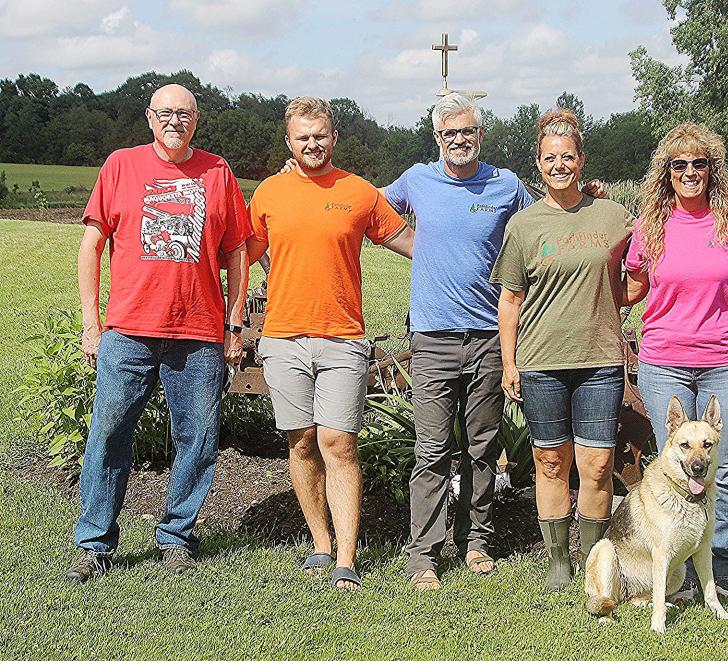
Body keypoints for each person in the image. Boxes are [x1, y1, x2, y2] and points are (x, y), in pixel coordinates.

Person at [68, 83, 251, 583]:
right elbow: (92, 245)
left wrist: (234, 324)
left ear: (198, 121)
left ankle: (176, 536)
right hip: (128, 330)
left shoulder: (218, 172)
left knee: (198, 438)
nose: (175, 121)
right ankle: (95, 543)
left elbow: (236, 251)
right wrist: (92, 322)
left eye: (185, 114)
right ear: (150, 118)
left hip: (198, 333)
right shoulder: (121, 165)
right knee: (109, 435)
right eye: (165, 113)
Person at [246, 97, 414, 591]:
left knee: (339, 443)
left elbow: (412, 242)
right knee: (301, 443)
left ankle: (346, 556)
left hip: (342, 338)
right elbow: (242, 254)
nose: (312, 144)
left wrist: (471, 248)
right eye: (303, 137)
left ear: (333, 138)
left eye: (320, 135)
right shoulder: (269, 194)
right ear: (289, 142)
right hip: (282, 338)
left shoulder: (358, 192)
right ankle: (320, 542)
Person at [382, 92, 531, 590]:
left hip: (490, 337)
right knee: (431, 451)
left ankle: (476, 541)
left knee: (483, 448)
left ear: (481, 135)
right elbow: (366, 211)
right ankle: (423, 554)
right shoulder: (417, 180)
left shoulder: (506, 185)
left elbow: (542, 222)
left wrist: (591, 202)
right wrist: (408, 244)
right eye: (449, 134)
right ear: (437, 138)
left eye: (467, 132)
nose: (459, 140)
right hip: (433, 339)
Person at [491, 109, 633, 591]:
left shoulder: (613, 216)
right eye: (550, 158)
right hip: (542, 363)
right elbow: (509, 300)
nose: (559, 165)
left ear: (581, 160)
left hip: (600, 360)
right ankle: (558, 560)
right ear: (538, 163)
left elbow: (642, 268)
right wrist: (510, 363)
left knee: (597, 465)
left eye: (567, 157)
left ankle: (594, 557)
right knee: (551, 462)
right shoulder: (524, 226)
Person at [623, 122, 728, 603]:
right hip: (665, 362)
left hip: (726, 360)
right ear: (667, 172)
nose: (691, 171)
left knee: (726, 466)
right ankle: (676, 571)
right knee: (676, 468)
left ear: (713, 169)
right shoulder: (650, 227)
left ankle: (723, 573)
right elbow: (633, 287)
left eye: (700, 163)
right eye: (680, 164)